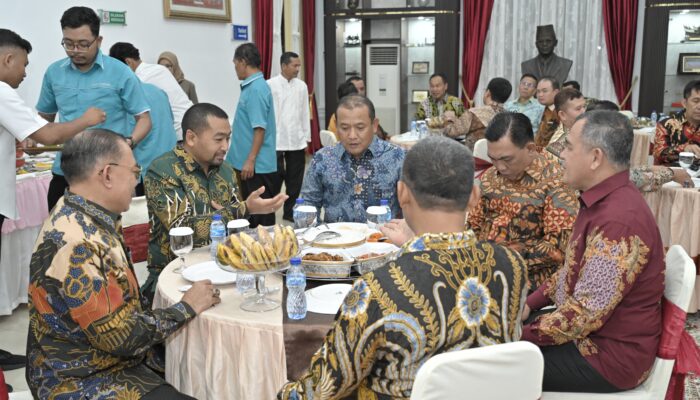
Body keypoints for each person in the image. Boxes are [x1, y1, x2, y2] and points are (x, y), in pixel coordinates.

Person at [278, 136, 529, 399]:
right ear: (474, 196)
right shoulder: (512, 266)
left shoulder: (377, 289)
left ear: (402, 193)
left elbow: (323, 389)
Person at [26, 129, 220, 399]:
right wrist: (186, 306)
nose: (135, 182)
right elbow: (122, 338)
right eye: (134, 172)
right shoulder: (77, 243)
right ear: (106, 174)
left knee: (205, 358)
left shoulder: (79, 210)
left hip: (104, 355)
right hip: (82, 376)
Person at [521, 111, 665, 393]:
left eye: (570, 147)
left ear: (596, 157)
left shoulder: (619, 220)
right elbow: (574, 269)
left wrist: (514, 336)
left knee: (492, 366)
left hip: (608, 356)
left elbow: (583, 316)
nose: (561, 154)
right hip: (594, 337)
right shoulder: (606, 201)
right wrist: (532, 303)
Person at [0, 28, 104, 387]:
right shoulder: (1, 89)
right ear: (7, 59)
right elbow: (48, 134)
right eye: (23, 64)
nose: (25, 73)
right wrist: (86, 121)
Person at [143, 103, 286, 302]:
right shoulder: (162, 171)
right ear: (191, 138)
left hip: (225, 269)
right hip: (175, 276)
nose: (226, 147)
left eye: (228, 138)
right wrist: (242, 209)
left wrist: (241, 213)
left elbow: (236, 229)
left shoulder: (225, 170)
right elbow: (182, 230)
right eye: (219, 139)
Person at [36, 6, 151, 211]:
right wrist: (34, 136)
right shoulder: (54, 73)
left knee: (123, 238)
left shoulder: (120, 72)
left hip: (112, 173)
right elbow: (44, 118)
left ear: (98, 41)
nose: (75, 51)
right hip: (67, 172)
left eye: (83, 44)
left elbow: (144, 119)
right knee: (62, 236)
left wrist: (130, 141)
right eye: (68, 44)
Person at [469, 112, 578, 289]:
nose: (500, 167)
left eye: (506, 159)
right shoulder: (490, 177)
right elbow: (474, 224)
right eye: (493, 159)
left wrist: (499, 261)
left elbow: (557, 250)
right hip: (481, 270)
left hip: (527, 281)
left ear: (530, 149)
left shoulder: (555, 182)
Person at [301, 95, 405, 223]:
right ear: (336, 126)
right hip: (335, 239)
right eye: (344, 128)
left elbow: (413, 209)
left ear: (374, 125)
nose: (352, 135)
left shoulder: (397, 158)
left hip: (383, 239)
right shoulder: (322, 159)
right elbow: (308, 205)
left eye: (360, 128)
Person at [226, 42, 279, 227]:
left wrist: (250, 160)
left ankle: (266, 252)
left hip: (257, 166)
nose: (235, 70)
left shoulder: (256, 89)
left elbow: (259, 128)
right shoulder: (252, 86)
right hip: (251, 163)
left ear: (243, 61)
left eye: (235, 65)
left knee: (261, 216)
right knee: (253, 215)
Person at [109, 42, 193, 140]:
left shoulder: (140, 79)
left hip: (180, 131)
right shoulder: (159, 69)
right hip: (191, 122)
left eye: (118, 69)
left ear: (128, 62)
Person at [268, 52, 310, 222]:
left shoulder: (302, 86)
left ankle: (290, 211)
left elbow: (304, 112)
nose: (298, 69)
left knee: (295, 179)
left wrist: (306, 137)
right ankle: (270, 209)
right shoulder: (270, 85)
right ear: (284, 66)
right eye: (295, 65)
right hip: (276, 141)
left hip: (296, 140)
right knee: (274, 178)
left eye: (299, 65)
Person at [127, 83, 177, 196]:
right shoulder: (158, 90)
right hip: (170, 167)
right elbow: (170, 121)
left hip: (143, 170)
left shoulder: (125, 96)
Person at [443, 77, 512, 150]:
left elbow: (450, 132)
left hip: (475, 158)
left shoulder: (473, 113)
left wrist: (448, 120)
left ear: (488, 93)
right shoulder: (509, 117)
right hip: (498, 158)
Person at [654, 80, 700, 164]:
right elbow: (659, 153)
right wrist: (684, 149)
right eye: (696, 101)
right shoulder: (667, 124)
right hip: (673, 174)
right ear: (684, 103)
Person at [545, 88, 586, 157]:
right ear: (562, 115)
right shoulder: (556, 146)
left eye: (584, 107)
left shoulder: (590, 127)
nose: (584, 112)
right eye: (578, 109)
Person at [534, 76, 561, 147]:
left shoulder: (563, 112)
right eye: (538, 91)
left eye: (544, 91)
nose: (540, 95)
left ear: (556, 92)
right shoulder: (540, 110)